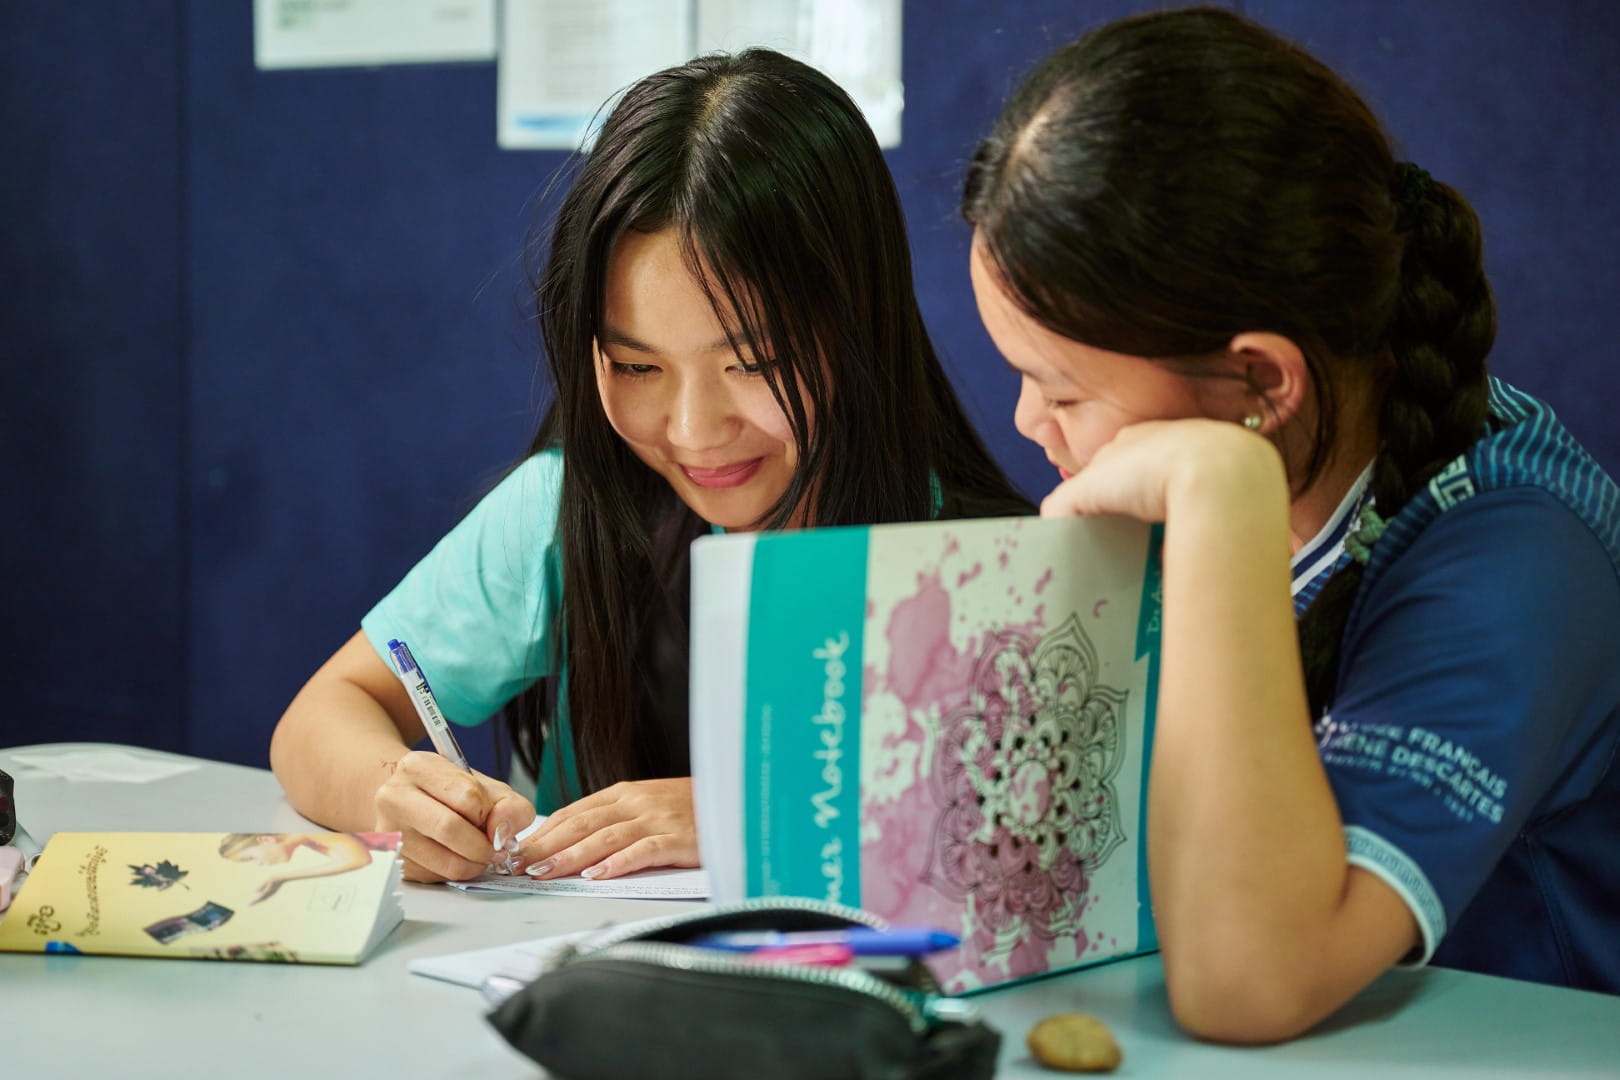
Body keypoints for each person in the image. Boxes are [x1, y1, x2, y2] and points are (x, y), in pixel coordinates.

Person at [961, 6, 1619, 1043]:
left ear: (1260, 378)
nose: (1026, 422)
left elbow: (1247, 983)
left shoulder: (1519, 559)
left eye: (1061, 389)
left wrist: (1218, 497)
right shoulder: (1252, 448)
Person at [270, 49, 1031, 890]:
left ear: (860, 327)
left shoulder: (983, 564)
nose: (695, 430)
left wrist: (745, 813)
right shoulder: (565, 513)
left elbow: (1037, 831)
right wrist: (394, 794)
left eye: (753, 360)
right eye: (636, 368)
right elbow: (321, 716)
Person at [217, 831, 395, 905]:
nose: (257, 864)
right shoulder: (310, 841)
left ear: (265, 839)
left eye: (250, 858)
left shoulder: (312, 833)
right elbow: (347, 861)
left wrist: (281, 877)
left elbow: (360, 859)